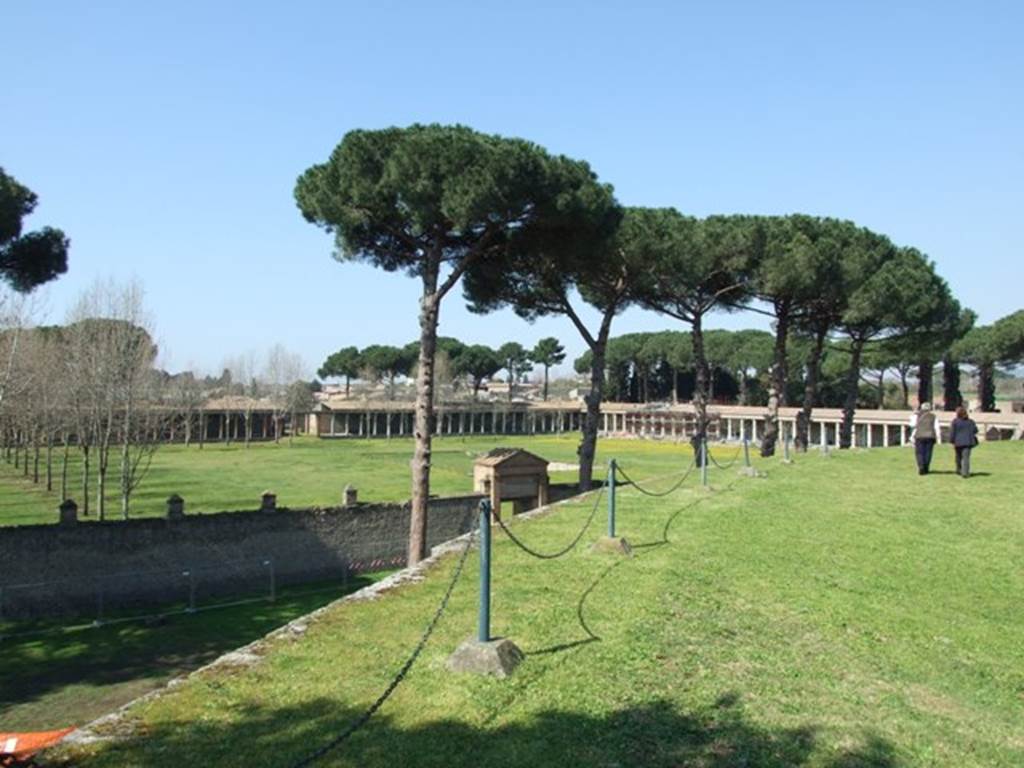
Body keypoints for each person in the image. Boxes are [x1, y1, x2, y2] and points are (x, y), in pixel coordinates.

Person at [950, 405, 979, 478]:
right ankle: (965, 472)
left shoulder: (955, 422)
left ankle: (958, 469)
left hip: (958, 442)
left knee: (958, 457)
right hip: (968, 442)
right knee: (966, 458)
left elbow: (952, 432)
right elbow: (975, 430)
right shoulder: (971, 422)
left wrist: (952, 440)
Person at [910, 402, 937, 475]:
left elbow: (912, 425)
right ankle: (926, 467)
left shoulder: (916, 416)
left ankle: (921, 466)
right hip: (930, 436)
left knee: (919, 452)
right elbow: (936, 427)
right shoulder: (933, 416)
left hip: (919, 436)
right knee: (928, 452)